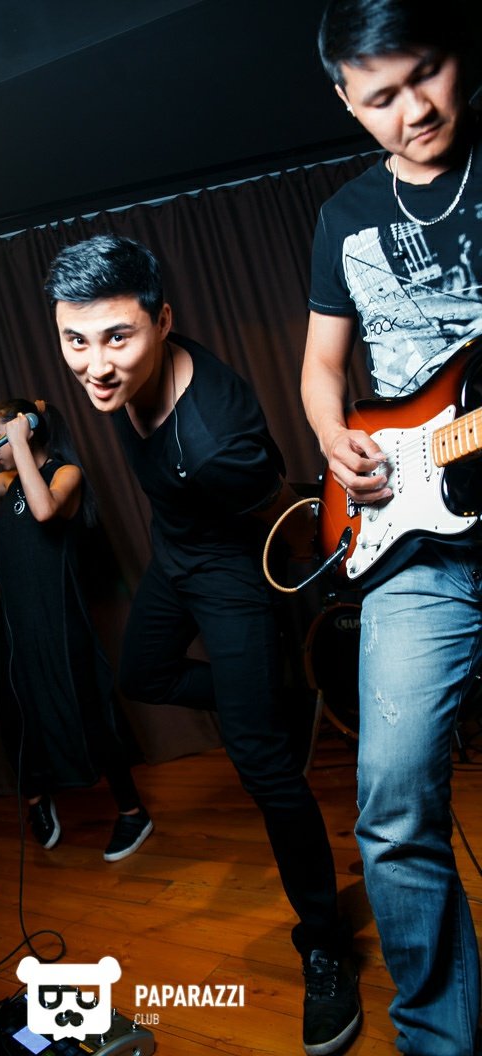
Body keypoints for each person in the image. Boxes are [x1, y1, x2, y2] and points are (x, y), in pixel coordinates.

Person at [44, 233, 360, 1056]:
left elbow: (278, 513)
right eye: (76, 340)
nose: (95, 367)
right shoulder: (120, 377)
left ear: (163, 321)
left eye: (117, 337)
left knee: (263, 767)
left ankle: (325, 943)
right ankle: (273, 704)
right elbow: (105, 368)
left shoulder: (221, 438)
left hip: (231, 572)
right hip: (175, 555)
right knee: (142, 672)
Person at [301, 2, 482, 1052]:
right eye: (380, 97)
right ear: (345, 101)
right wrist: (335, 438)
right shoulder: (343, 218)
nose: (413, 110)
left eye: (427, 74)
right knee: (394, 806)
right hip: (411, 541)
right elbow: (322, 369)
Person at [0, 393, 153, 861]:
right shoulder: (9, 480)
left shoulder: (66, 474)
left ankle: (133, 812)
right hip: (16, 621)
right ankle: (36, 801)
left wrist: (22, 442)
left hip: (59, 619)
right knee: (16, 714)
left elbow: (45, 509)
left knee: (89, 711)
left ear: (25, 431)